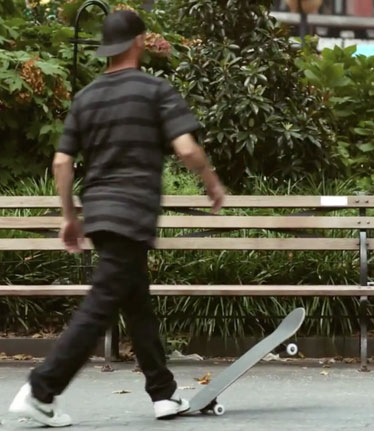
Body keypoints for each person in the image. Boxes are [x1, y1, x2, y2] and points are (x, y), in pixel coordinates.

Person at [9, 10, 225, 427]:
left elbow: (61, 162)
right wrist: (212, 183)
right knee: (100, 305)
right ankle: (41, 389)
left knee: (135, 301)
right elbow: (186, 149)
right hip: (133, 213)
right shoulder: (155, 90)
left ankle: (163, 394)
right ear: (138, 42)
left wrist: (70, 216)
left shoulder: (86, 97)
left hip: (101, 214)